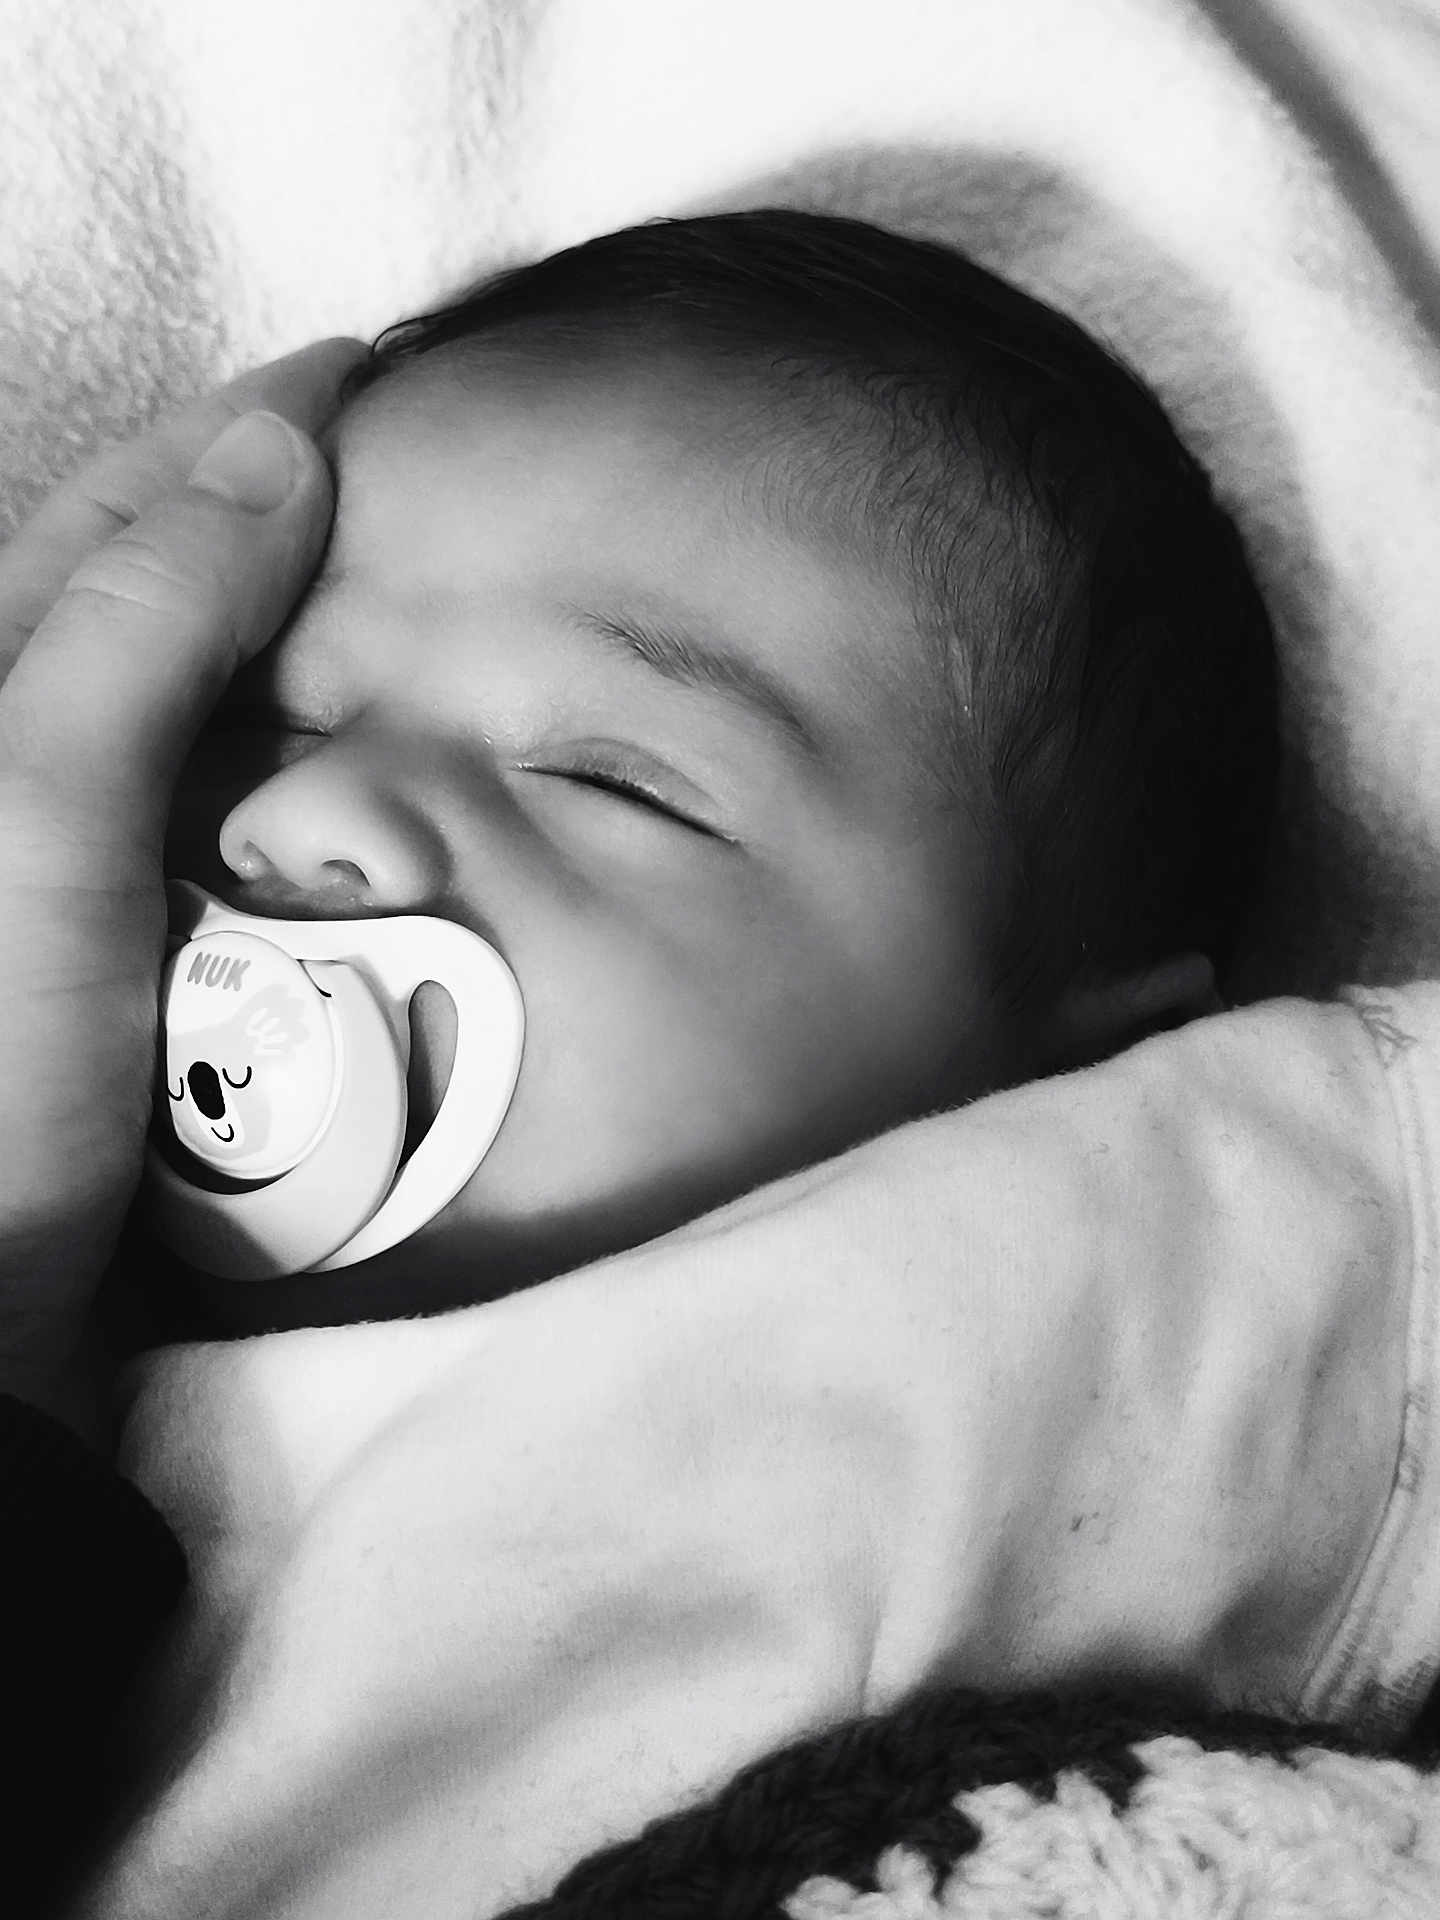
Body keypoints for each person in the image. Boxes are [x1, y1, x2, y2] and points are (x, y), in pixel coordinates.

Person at [0, 213, 1426, 1916]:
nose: (302, 817)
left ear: (1075, 1073)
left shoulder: (1152, 1252)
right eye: (278, 717)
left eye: (614, 781)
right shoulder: (64, 1409)